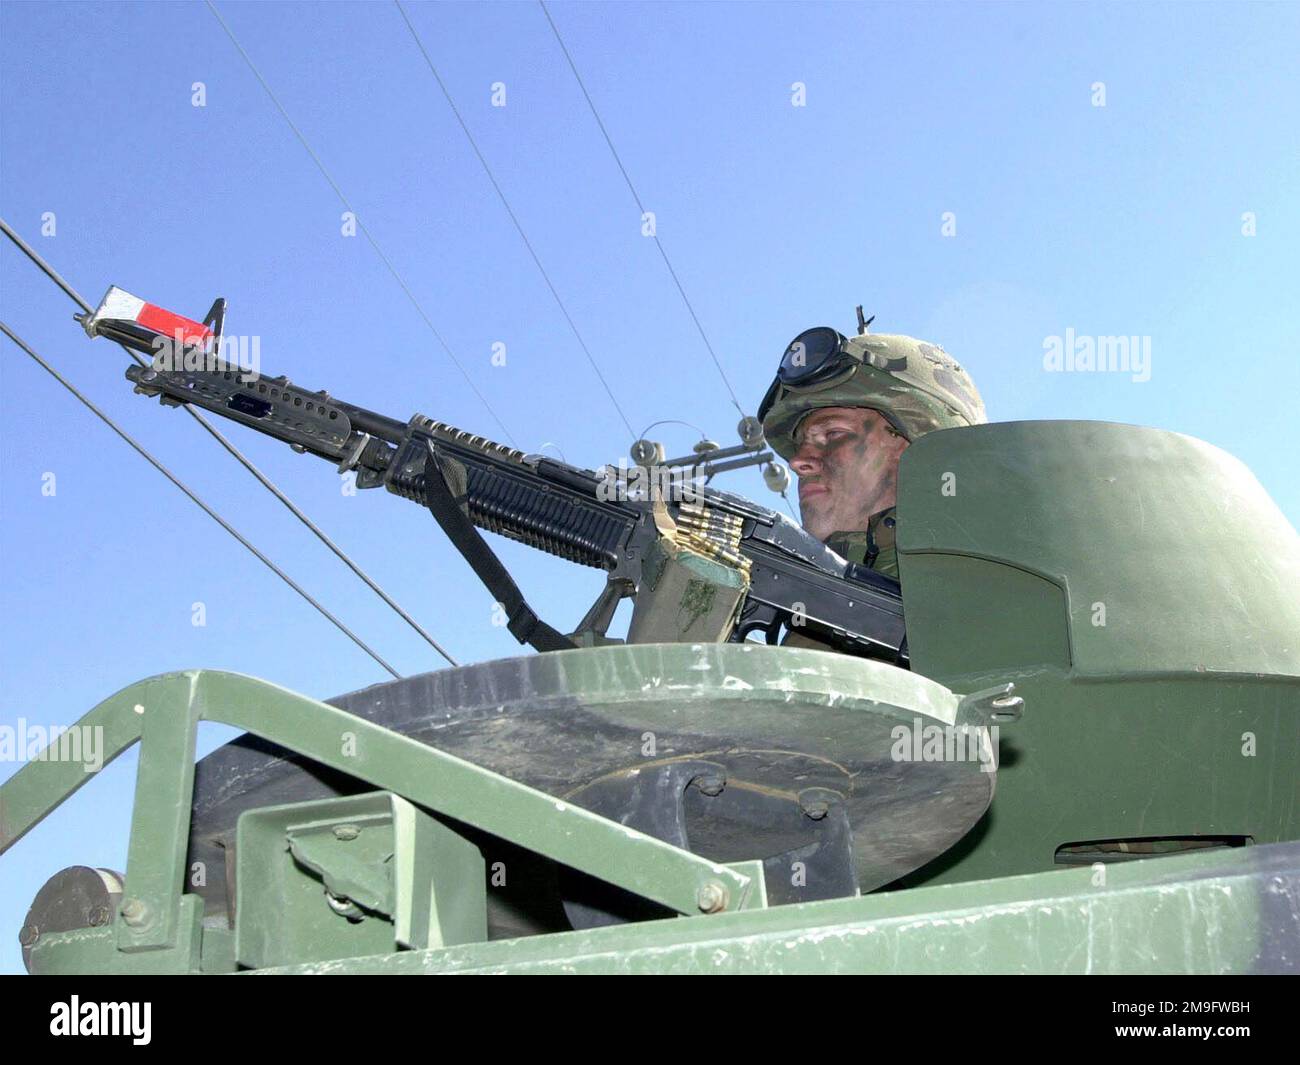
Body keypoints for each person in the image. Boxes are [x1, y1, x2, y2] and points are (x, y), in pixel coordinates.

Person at [757, 316, 987, 578]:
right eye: (800, 444)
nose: (797, 462)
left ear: (918, 452)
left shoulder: (987, 584)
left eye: (833, 434)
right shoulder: (789, 596)